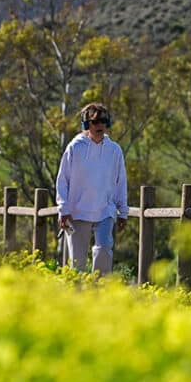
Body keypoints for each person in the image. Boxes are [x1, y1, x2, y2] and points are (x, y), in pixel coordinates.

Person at [56, 102, 128, 275]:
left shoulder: (114, 150)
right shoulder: (75, 147)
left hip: (105, 211)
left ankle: (99, 294)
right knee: (77, 263)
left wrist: (123, 211)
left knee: (104, 252)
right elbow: (62, 180)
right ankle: (77, 297)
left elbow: (121, 181)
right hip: (77, 212)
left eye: (103, 121)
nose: (100, 125)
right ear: (87, 124)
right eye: (95, 122)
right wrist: (63, 209)